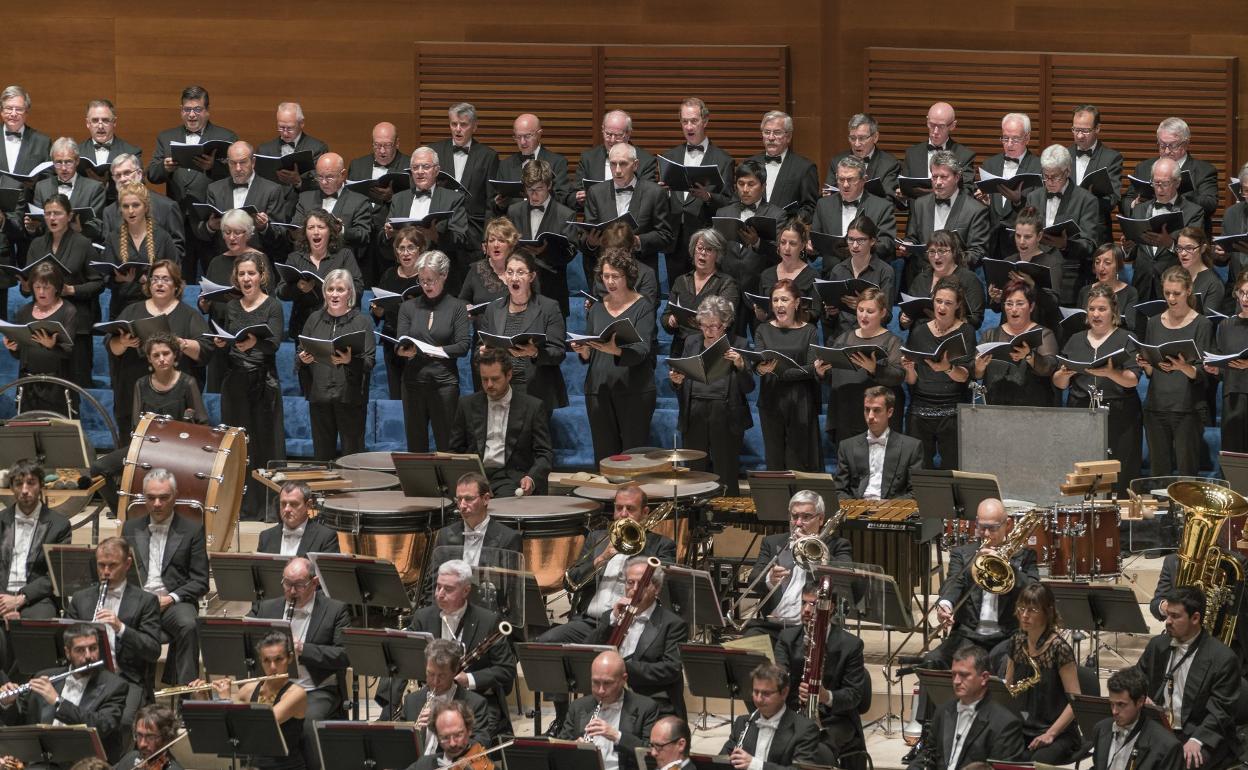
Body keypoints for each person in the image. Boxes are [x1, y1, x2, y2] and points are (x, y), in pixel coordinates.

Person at [539, 486, 677, 732]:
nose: (623, 514)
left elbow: (664, 585)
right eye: (618, 508)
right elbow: (570, 582)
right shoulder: (597, 539)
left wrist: (636, 547)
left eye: (630, 509)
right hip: (591, 621)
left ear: (645, 512)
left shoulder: (661, 545)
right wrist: (602, 557)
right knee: (547, 643)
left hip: (632, 625)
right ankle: (562, 717)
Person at [249, 558, 351, 770]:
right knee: (248, 718)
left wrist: (304, 649)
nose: (292, 591)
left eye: (299, 585)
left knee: (304, 724)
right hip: (275, 686)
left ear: (314, 583)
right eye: (287, 584)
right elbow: (246, 637)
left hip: (315, 688)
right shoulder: (267, 607)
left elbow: (345, 654)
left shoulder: (335, 610)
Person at [404, 560, 517, 735]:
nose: (440, 594)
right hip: (433, 694)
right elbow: (404, 656)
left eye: (448, 589)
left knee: (455, 737)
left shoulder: (488, 621)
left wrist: (469, 679)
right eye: (438, 587)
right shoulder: (422, 617)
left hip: (473, 702)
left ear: (466, 591)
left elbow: (506, 670)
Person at [1134, 586, 1240, 770]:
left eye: (1175, 616)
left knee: (1174, 764)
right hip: (1160, 727)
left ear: (1195, 618)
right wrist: (1140, 696)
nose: (1167, 622)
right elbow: (1137, 678)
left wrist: (1197, 739)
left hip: (1200, 732)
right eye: (1167, 615)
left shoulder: (1222, 658)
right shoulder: (1158, 645)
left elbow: (1221, 711)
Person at [212, 252, 285, 518]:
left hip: (263, 382)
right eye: (241, 274)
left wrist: (255, 342)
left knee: (265, 445)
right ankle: (242, 507)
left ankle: (269, 508)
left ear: (261, 276)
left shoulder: (272, 305)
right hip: (237, 382)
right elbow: (229, 339)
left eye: (251, 273)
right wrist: (222, 343)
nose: (246, 278)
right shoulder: (232, 307)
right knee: (239, 446)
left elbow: (275, 341)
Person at [120, 469, 207, 685]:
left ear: (175, 495)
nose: (157, 503)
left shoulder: (192, 530)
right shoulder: (131, 527)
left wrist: (171, 599)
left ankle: (184, 693)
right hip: (139, 602)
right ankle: (128, 688)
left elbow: (200, 581)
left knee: (189, 624)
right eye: (151, 498)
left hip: (172, 603)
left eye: (163, 497)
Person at [929, 498, 1038, 671]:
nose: (986, 534)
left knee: (1011, 666)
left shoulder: (1025, 556)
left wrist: (1008, 567)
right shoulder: (962, 554)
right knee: (931, 661)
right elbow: (952, 584)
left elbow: (1035, 593)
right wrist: (945, 605)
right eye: (981, 527)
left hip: (1006, 638)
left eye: (992, 528)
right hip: (968, 637)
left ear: (1007, 525)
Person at [1053, 285, 1142, 492]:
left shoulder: (1126, 338)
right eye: (1092, 309)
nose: (1096, 314)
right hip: (1082, 410)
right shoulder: (1076, 339)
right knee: (1083, 469)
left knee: (1119, 471)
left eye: (1102, 309)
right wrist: (1063, 375)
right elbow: (1060, 383)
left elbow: (1132, 379)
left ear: (1114, 312)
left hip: (1119, 414)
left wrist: (1111, 373)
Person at [774, 581, 870, 769]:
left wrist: (825, 695)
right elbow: (779, 676)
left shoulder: (851, 646)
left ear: (830, 607)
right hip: (794, 714)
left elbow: (854, 695)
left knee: (815, 751)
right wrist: (783, 684)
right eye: (804, 603)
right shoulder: (787, 639)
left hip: (836, 720)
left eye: (813, 604)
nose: (806, 610)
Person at [0, 623, 129, 761]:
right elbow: (23, 725)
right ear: (67, 652)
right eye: (80, 650)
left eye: (93, 648)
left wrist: (58, 702)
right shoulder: (44, 678)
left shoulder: (115, 686)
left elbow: (102, 726)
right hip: (45, 762)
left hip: (86, 763)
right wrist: (9, 704)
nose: (88, 656)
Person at [574, 249, 657, 461]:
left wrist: (617, 350)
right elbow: (592, 349)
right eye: (605, 276)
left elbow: (643, 350)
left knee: (633, 457)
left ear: (627, 276)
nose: (609, 281)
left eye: (615, 276)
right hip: (598, 390)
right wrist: (584, 351)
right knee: (604, 457)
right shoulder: (597, 309)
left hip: (633, 392)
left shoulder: (643, 307)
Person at [106, 259, 208, 432]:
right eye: (155, 278)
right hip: (135, 391)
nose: (159, 283)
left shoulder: (188, 315)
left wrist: (181, 343)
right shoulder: (132, 311)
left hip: (175, 398)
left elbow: (205, 350)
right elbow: (112, 347)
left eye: (166, 279)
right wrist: (123, 342)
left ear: (176, 285)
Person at [147, 86, 237, 276]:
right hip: (178, 222)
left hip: (211, 222)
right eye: (187, 110)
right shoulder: (166, 137)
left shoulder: (226, 137)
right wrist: (165, 167)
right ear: (181, 111)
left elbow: (238, 176)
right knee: (180, 277)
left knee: (216, 276)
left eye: (197, 109)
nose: (192, 115)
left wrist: (213, 167)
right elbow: (152, 175)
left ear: (207, 111)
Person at [668, 296, 753, 496]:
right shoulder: (691, 341)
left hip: (725, 413)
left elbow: (748, 387)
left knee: (726, 470)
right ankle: (696, 515)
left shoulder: (739, 343)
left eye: (714, 326)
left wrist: (740, 365)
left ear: (725, 324)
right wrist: (676, 381)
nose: (708, 331)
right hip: (695, 411)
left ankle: (725, 513)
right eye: (704, 326)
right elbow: (680, 381)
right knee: (695, 469)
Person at [586, 558, 688, 718]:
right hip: (609, 696)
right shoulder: (612, 617)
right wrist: (612, 619)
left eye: (641, 584)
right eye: (629, 582)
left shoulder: (672, 624)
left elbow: (671, 669)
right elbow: (587, 652)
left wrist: (623, 669)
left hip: (650, 701)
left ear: (657, 588)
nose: (634, 589)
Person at [1135, 266, 1213, 477]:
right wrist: (1146, 363)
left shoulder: (1202, 324)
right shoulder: (1153, 323)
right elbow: (1153, 372)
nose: (1171, 298)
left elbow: (1204, 374)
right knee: (1159, 473)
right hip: (1156, 407)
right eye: (1167, 293)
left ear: (1188, 291)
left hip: (1187, 409)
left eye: (1176, 293)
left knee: (1187, 473)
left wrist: (1183, 367)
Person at [742, 491, 852, 638]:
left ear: (820, 519)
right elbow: (753, 581)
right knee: (749, 642)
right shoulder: (772, 542)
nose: (798, 523)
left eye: (806, 517)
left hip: (813, 627)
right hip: (775, 626)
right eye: (795, 517)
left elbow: (847, 583)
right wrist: (769, 578)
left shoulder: (837, 545)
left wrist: (822, 558)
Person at [192, 631, 308, 770]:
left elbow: (264, 725)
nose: (272, 667)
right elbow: (223, 723)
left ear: (289, 658)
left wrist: (226, 699)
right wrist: (202, 697)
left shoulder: (296, 694)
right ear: (260, 660)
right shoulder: (249, 689)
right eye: (266, 660)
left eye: (278, 659)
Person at [294, 268, 375, 460]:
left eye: (340, 289)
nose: (335, 294)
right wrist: (302, 359)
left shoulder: (362, 321)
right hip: (320, 396)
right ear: (324, 293)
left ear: (350, 294)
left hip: (350, 398)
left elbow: (370, 361)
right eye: (330, 289)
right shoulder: (314, 319)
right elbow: (300, 351)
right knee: (322, 456)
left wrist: (350, 360)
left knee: (352, 456)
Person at [474, 251, 567, 414]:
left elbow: (558, 352)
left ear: (531, 277)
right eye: (510, 272)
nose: (514, 278)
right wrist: (483, 353)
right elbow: (478, 350)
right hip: (500, 389)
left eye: (520, 272)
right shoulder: (493, 308)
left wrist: (535, 353)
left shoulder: (548, 308)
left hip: (535, 391)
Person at [449, 349, 552, 497]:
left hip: (512, 478)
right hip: (477, 476)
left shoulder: (533, 407)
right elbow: (455, 449)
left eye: (495, 379)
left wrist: (531, 477)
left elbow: (544, 453)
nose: (489, 385)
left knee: (505, 501)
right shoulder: (466, 404)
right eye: (484, 379)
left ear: (509, 374)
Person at [396, 249, 471, 452]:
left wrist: (436, 350)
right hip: (413, 383)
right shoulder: (408, 307)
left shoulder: (457, 307)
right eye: (422, 280)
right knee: (415, 442)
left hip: (444, 383)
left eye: (431, 280)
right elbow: (400, 342)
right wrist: (404, 351)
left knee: (447, 442)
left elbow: (463, 345)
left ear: (444, 276)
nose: (426, 285)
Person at [66, 537, 162, 695]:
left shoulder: (146, 601)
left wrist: (121, 628)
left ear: (127, 564)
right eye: (101, 565)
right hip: (84, 678)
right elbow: (65, 639)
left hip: (126, 681)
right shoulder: (80, 599)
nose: (105, 572)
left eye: (112, 565)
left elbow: (152, 651)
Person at [901, 277, 977, 470]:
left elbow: (965, 375)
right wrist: (909, 370)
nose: (942, 307)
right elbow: (911, 381)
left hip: (952, 409)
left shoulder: (966, 331)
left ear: (958, 305)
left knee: (952, 468)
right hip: (920, 406)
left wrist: (947, 368)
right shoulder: (919, 331)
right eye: (938, 301)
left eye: (948, 303)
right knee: (918, 470)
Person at [24, 193, 99, 388]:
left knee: (77, 380)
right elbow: (28, 285)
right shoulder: (37, 244)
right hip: (43, 322)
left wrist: (71, 289)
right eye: (48, 214)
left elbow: (98, 283)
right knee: (43, 381)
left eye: (57, 213)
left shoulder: (83, 243)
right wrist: (26, 286)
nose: (52, 218)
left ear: (69, 215)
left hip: (75, 321)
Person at [909, 645, 1025, 770]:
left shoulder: (1005, 724)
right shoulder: (943, 711)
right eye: (954, 675)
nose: (956, 681)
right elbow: (928, 756)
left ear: (984, 678)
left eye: (964, 675)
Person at [660, 98, 736, 281]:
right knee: (676, 293)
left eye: (694, 121)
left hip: (706, 240)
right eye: (684, 121)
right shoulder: (670, 156)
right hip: (675, 241)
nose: (689, 126)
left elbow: (729, 202)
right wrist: (660, 193)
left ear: (705, 121)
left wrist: (708, 196)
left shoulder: (723, 160)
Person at [421, 471, 524, 607]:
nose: (462, 505)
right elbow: (432, 587)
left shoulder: (508, 538)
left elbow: (509, 594)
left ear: (486, 499)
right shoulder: (444, 536)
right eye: (459, 499)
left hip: (486, 616)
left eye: (469, 499)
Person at [1004, 583, 1081, 763]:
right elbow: (1007, 685)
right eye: (1021, 608)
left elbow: (1076, 701)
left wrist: (1050, 734)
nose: (1024, 615)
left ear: (1048, 612)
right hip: (1023, 727)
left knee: (1036, 762)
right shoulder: (1016, 641)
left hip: (1058, 732)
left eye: (1032, 610)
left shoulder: (1059, 649)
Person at [816, 287, 905, 441]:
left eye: (870, 311)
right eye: (860, 309)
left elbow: (898, 376)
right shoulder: (843, 339)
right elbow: (835, 378)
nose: (863, 315)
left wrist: (874, 369)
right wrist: (822, 373)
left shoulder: (892, 341)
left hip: (876, 417)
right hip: (846, 413)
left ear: (882, 313)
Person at [753, 279, 822, 471]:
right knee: (774, 460)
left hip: (800, 401)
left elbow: (812, 368)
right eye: (775, 300)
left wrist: (779, 372)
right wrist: (760, 369)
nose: (779, 305)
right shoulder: (763, 330)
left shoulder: (809, 330)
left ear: (797, 302)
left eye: (784, 299)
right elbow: (757, 363)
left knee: (797, 461)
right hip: (770, 400)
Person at [1020, 144, 1102, 304]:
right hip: (1035, 277)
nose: (1049, 182)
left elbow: (1090, 245)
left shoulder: (1086, 200)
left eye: (1055, 177)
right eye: (1046, 176)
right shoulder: (1033, 197)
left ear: (1067, 172)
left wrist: (1066, 244)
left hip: (1068, 279)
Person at [582, 143, 674, 279]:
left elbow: (665, 235)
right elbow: (585, 236)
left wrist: (638, 241)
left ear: (636, 165)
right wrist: (591, 242)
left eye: (623, 164)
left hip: (642, 275)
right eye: (613, 164)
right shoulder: (595, 192)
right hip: (606, 277)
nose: (617, 170)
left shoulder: (655, 193)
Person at [383, 147, 471, 288]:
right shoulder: (399, 199)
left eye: (426, 167)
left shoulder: (453, 199)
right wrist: (388, 235)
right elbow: (384, 243)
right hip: (404, 277)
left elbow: (461, 239)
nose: (420, 171)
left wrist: (436, 236)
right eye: (415, 167)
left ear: (436, 170)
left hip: (440, 277)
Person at [1122, 157, 1206, 303]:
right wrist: (1127, 248)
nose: (1159, 188)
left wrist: (1171, 244)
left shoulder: (1193, 212)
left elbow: (1195, 253)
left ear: (1177, 182)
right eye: (1156, 183)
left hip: (1174, 288)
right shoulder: (1139, 210)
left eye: (1165, 183)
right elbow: (1135, 253)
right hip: (1142, 286)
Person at [558, 651, 660, 770]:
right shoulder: (578, 706)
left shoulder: (646, 708)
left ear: (624, 679)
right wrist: (574, 747)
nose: (600, 690)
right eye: (595, 682)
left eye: (607, 683)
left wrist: (616, 735)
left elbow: (652, 753)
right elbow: (560, 748)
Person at [901, 151, 990, 284]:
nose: (937, 182)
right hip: (922, 278)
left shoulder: (976, 210)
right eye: (934, 176)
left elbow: (977, 252)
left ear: (957, 177)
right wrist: (908, 245)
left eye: (943, 177)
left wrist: (949, 261)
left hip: (957, 281)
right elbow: (912, 237)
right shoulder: (920, 204)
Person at [0, 459, 72, 620]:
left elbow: (56, 573)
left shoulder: (59, 525)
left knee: (40, 622)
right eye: (18, 484)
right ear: (11, 488)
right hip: (2, 595)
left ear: (41, 485)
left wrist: (20, 599)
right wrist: (4, 600)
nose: (24, 490)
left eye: (31, 483)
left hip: (36, 598)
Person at [194, 140, 293, 256]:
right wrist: (210, 226)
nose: (238, 168)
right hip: (224, 259)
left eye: (243, 162)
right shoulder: (214, 189)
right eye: (233, 163)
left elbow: (281, 236)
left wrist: (264, 227)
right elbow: (203, 234)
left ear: (253, 162)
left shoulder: (272, 190)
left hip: (258, 260)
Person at [3, 260, 77, 415]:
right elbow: (19, 353)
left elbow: (68, 352)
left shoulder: (68, 311)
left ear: (56, 287)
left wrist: (51, 346)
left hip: (57, 385)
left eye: (47, 287)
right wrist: (13, 348)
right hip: (28, 384)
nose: (41, 292)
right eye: (37, 287)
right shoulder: (24, 311)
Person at [719, 664, 825, 770]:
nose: (759, 699)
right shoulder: (742, 723)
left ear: (784, 693)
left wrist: (755, 765)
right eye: (756, 692)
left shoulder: (805, 729)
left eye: (766, 693)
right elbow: (721, 762)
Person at [505, 159, 576, 315]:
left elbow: (569, 254)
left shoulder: (566, 214)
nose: (534, 195)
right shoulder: (514, 211)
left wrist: (544, 251)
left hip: (552, 292)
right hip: (520, 294)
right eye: (530, 189)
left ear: (549, 186)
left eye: (539, 189)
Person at [279, 209, 363, 340]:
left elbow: (358, 288)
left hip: (339, 325)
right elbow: (281, 292)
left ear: (330, 231)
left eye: (321, 227)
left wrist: (337, 291)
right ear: (305, 232)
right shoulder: (294, 258)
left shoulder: (344, 255)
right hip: (304, 327)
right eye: (311, 227)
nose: (316, 232)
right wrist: (298, 288)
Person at [102, 181, 179, 323]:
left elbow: (175, 272)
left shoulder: (162, 237)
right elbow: (105, 276)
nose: (131, 211)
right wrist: (119, 279)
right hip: (122, 308)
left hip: (157, 308)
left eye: (136, 205)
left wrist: (150, 280)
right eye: (126, 206)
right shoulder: (113, 238)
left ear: (146, 207)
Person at [973, 280, 1058, 406]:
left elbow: (1048, 368)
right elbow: (976, 374)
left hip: (1033, 408)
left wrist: (1029, 355)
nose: (1013, 309)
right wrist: (979, 367)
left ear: (1031, 307)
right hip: (995, 405)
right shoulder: (990, 335)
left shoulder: (1044, 334)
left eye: (1019, 304)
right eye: (1009, 304)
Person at [716, 161, 785, 312]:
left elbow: (780, 254)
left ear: (763, 186)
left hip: (760, 289)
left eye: (751, 184)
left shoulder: (777, 215)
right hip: (729, 289)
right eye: (741, 184)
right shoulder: (723, 213)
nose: (745, 189)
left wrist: (757, 243)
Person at [833, 386, 923, 499]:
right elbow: (839, 490)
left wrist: (888, 507)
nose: (870, 416)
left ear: (890, 412)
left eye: (876, 410)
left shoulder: (911, 447)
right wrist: (857, 508)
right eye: (867, 409)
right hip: (857, 510)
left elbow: (915, 492)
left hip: (893, 511)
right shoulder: (847, 446)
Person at [403, 639, 494, 751]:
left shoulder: (475, 704)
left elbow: (481, 746)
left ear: (455, 671)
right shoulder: (411, 701)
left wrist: (442, 726)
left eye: (442, 676)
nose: (435, 681)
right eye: (430, 674)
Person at [346, 122, 409, 283]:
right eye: (377, 145)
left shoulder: (408, 165)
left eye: (387, 146)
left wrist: (390, 197)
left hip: (391, 242)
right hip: (362, 242)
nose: (381, 151)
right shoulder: (357, 165)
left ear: (397, 143)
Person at [1129, 117, 1219, 230]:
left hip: (1189, 235)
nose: (1166, 151)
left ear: (1186, 144)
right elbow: (1127, 200)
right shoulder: (1144, 168)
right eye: (1162, 145)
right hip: (1148, 234)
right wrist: (1135, 204)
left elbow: (1210, 205)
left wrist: (1177, 192)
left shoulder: (1204, 170)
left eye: (1172, 146)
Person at [430, 103, 498, 248]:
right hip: (440, 230)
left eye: (463, 124)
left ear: (474, 127)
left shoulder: (488, 156)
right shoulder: (434, 152)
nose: (458, 129)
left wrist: (488, 238)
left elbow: (490, 203)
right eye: (454, 124)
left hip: (474, 232)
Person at [821, 214, 898, 342]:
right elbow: (829, 320)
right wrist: (831, 312)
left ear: (872, 241)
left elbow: (887, 315)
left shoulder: (884, 271)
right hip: (841, 337)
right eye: (851, 239)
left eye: (860, 240)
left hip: (871, 338)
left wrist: (863, 307)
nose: (855, 245)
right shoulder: (838, 270)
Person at [370, 226, 426, 399]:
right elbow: (378, 314)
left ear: (421, 250)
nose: (406, 253)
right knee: (396, 395)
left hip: (421, 343)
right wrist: (377, 310)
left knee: (418, 397)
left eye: (411, 247)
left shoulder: (426, 277)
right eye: (401, 248)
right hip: (392, 342)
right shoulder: (388, 275)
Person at [973, 113, 1040, 258]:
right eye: (1005, 138)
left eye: (1015, 139)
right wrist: (985, 203)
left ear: (1027, 138)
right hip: (992, 245)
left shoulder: (1038, 167)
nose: (1009, 144)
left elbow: (1038, 211)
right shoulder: (990, 164)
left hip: (1021, 247)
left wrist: (1017, 201)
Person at [1089, 667, 1182, 770]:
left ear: (1140, 701)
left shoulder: (1167, 746)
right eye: (1112, 704)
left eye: (1121, 704)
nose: (1114, 711)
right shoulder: (1101, 728)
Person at [665, 228, 738, 356]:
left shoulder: (726, 283)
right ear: (693, 250)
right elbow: (666, 315)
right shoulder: (681, 281)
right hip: (680, 349)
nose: (703, 253)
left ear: (717, 255)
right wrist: (670, 320)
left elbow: (726, 320)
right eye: (699, 248)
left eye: (709, 250)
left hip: (710, 349)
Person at [103, 154, 185, 264]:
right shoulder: (109, 212)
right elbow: (108, 251)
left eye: (127, 173)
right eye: (118, 175)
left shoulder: (167, 206)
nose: (122, 179)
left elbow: (177, 250)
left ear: (139, 174)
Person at [991, 207, 1063, 330]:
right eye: (1018, 236)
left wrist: (1032, 285)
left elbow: (1053, 304)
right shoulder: (1008, 261)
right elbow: (997, 309)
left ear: (1039, 236)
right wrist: (998, 299)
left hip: (1041, 327)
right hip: (1010, 327)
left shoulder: (1052, 263)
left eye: (1028, 237)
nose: (1021, 241)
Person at [23, 136, 105, 243]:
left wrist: (80, 230)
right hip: (49, 247)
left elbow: (98, 226)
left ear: (77, 161)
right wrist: (32, 229)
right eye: (58, 162)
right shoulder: (41, 187)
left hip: (80, 248)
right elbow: (40, 227)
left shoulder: (94, 188)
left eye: (68, 162)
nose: (63, 168)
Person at [293, 152, 372, 258]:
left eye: (329, 177)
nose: (324, 182)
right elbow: (296, 229)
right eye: (320, 177)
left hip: (343, 263)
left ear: (343, 175)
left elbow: (364, 235)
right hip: (308, 260)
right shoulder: (305, 198)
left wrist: (342, 230)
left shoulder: (359, 201)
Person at [903, 229, 985, 330]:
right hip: (920, 337)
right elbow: (906, 314)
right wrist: (904, 319)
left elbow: (976, 321)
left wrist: (944, 318)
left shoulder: (969, 279)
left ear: (954, 252)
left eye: (942, 251)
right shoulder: (921, 279)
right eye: (932, 251)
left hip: (954, 337)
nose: (936, 257)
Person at [492, 113, 574, 212]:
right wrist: (499, 204)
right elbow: (496, 207)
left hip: (547, 221)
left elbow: (563, 199)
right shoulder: (505, 165)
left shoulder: (557, 162)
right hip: (515, 223)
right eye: (518, 137)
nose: (522, 142)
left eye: (527, 136)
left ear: (539, 134)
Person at [576, 110, 658, 209]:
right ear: (602, 130)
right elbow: (570, 197)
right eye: (608, 134)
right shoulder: (588, 158)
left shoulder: (646, 161)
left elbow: (649, 198)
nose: (612, 140)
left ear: (628, 133)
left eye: (618, 135)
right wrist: (578, 198)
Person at [747, 111, 819, 222]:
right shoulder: (749, 163)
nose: (771, 137)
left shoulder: (805, 168)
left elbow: (810, 208)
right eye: (767, 132)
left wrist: (788, 222)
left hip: (785, 234)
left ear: (788, 136)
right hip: (751, 230)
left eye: (777, 132)